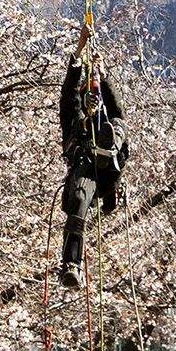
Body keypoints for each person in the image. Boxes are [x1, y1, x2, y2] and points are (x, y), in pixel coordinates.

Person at [58, 39, 127, 286]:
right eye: (87, 94)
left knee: (118, 125)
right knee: (78, 200)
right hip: (85, 170)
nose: (92, 100)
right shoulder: (74, 122)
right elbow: (68, 95)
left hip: (108, 170)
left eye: (95, 95)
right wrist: (78, 51)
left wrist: (102, 74)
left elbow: (116, 108)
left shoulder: (107, 118)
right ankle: (71, 264)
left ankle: (108, 148)